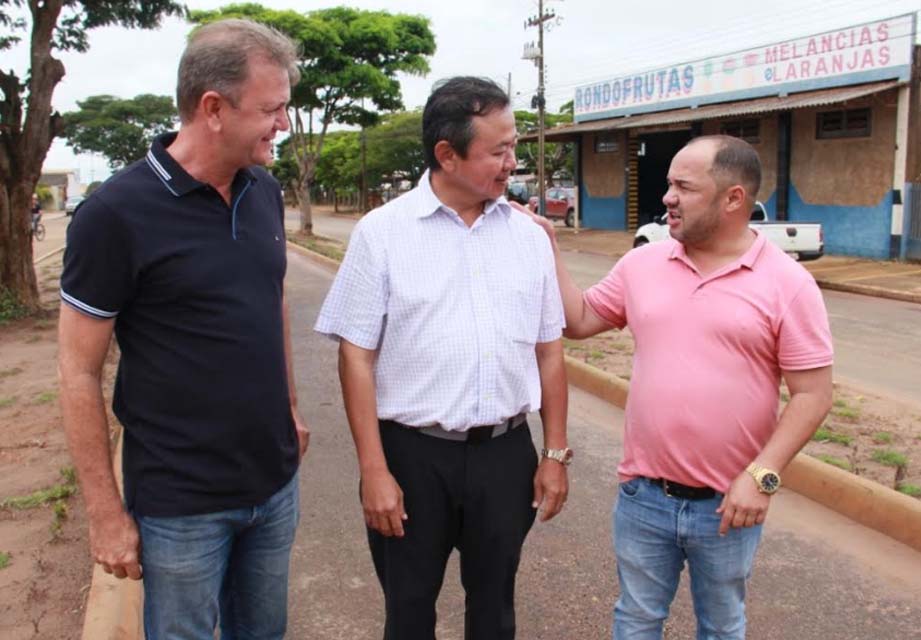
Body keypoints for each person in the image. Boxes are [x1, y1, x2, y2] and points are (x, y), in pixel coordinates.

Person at [525, 135, 833, 639]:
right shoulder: (643, 263)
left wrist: (763, 476)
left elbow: (814, 394)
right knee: (637, 617)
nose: (667, 197)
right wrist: (549, 249)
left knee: (721, 625)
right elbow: (578, 319)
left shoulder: (788, 283)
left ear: (733, 198)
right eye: (669, 184)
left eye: (683, 187)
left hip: (730, 502)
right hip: (644, 495)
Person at [58, 19, 309, 639]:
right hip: (181, 506)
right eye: (273, 109)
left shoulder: (264, 191)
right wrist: (104, 513)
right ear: (214, 108)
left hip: (273, 487)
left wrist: (291, 408)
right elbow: (77, 369)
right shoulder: (114, 215)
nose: (283, 124)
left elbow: (270, 302)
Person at [316, 76, 571, 640]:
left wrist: (554, 453)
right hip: (412, 457)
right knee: (407, 613)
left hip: (506, 456)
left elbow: (550, 352)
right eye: (499, 151)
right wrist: (374, 471)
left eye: (515, 146)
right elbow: (355, 358)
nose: (513, 163)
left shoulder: (529, 237)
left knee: (495, 611)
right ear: (447, 155)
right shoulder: (382, 234)